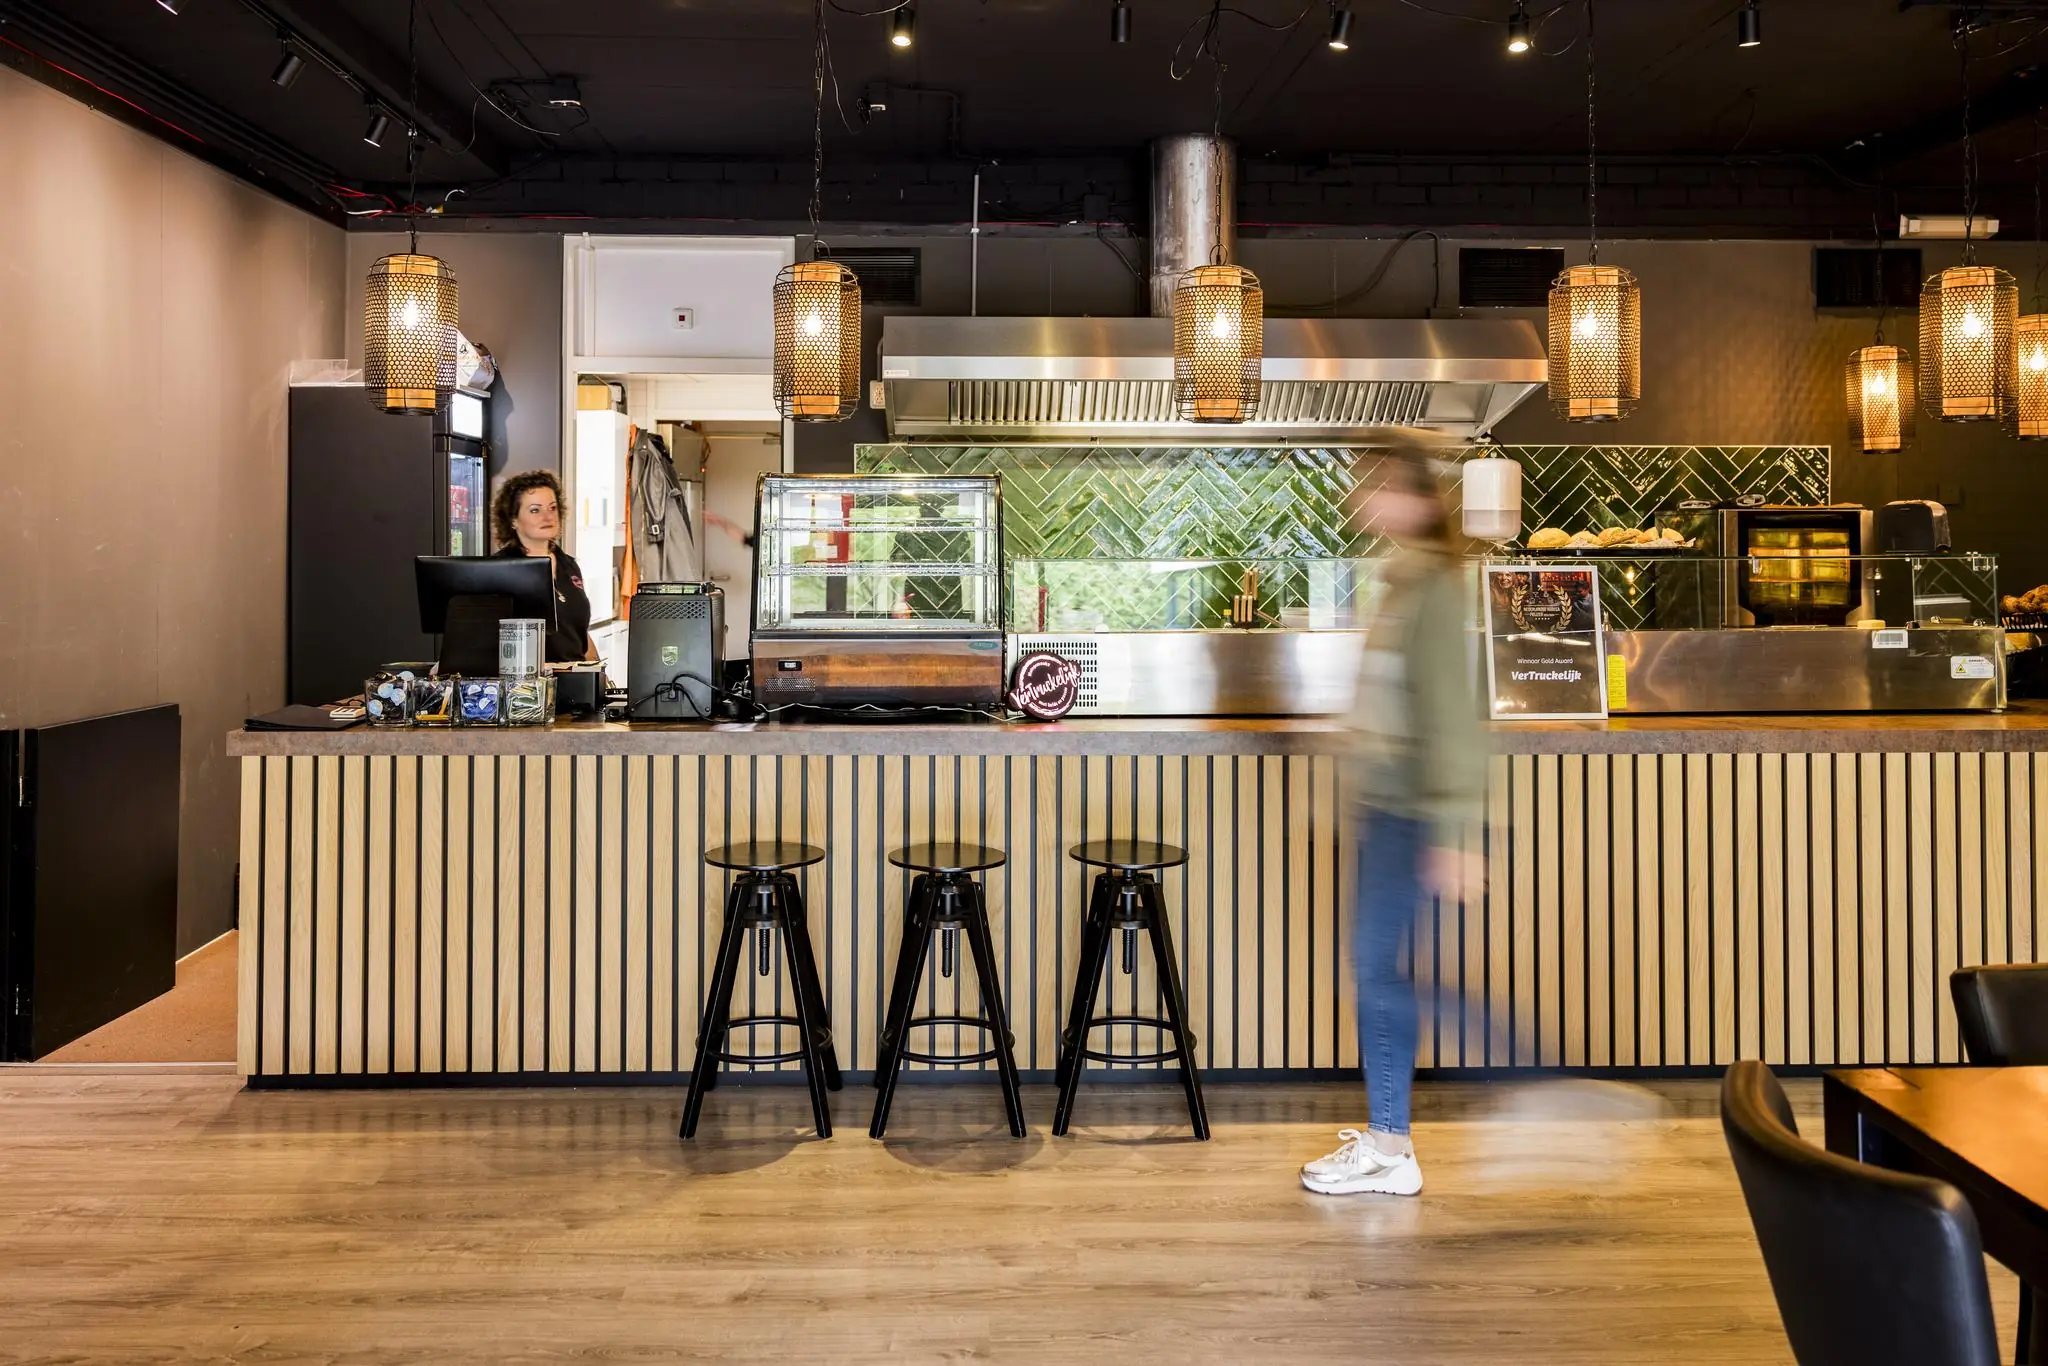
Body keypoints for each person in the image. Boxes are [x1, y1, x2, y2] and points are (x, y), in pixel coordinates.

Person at [1301, 436, 1488, 1198]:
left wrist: (1453, 832)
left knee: (1378, 974)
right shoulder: (1407, 578)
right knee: (1381, 971)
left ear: (1411, 495)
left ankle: (1389, 1147)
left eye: (1371, 485)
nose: (1360, 499)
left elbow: (1453, 718)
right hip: (1390, 809)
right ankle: (1388, 1138)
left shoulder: (1435, 588)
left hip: (1412, 813)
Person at [491, 470, 596, 663]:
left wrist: (599, 677)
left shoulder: (569, 565)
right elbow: (483, 639)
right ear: (513, 520)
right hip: (527, 686)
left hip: (575, 682)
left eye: (552, 508)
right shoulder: (499, 569)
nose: (548, 517)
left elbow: (579, 634)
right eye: (535, 510)